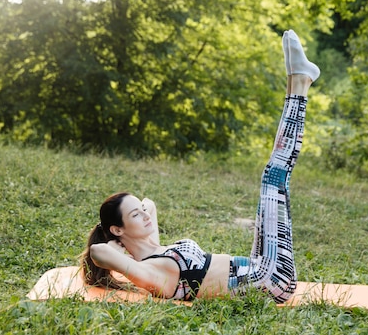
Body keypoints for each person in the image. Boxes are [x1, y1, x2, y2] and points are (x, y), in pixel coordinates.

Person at [81, 30, 320, 304]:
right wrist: (115, 244)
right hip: (271, 281)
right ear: (117, 230)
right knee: (273, 177)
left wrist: (131, 221)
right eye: (136, 215)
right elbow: (100, 252)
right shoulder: (148, 272)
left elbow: (150, 204)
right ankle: (300, 82)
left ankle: (297, 81)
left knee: (273, 178)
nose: (145, 216)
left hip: (259, 268)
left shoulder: (155, 248)